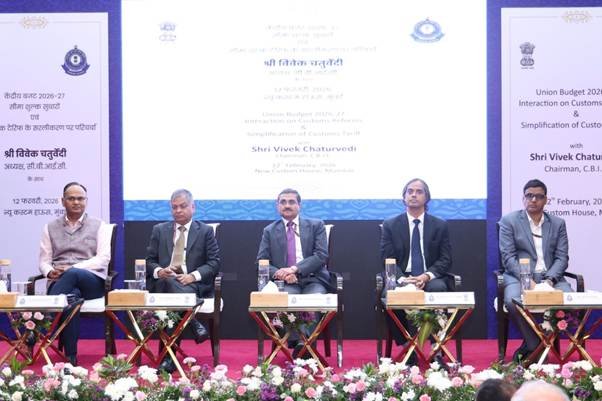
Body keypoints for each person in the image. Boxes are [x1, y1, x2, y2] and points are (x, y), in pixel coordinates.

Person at [146, 189, 220, 372]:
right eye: (174, 207)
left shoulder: (205, 231)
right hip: (164, 283)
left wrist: (192, 276)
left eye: (183, 206)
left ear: (193, 207)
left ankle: (168, 358)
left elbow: (214, 263)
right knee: (168, 282)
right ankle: (193, 320)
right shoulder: (159, 230)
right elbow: (149, 261)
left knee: (174, 297)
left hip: (191, 284)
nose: (178, 210)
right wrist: (160, 271)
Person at [39, 182, 113, 366]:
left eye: (80, 198)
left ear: (86, 201)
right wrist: (50, 271)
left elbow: (103, 259)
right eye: (71, 198)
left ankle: (42, 321)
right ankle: (71, 357)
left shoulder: (100, 225)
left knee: (73, 274)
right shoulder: (50, 227)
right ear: (63, 201)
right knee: (71, 298)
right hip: (61, 282)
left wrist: (74, 268)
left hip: (91, 282)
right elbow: (44, 261)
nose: (76, 202)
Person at [499, 179, 571, 363]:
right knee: (513, 301)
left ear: (546, 200)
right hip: (519, 276)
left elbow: (562, 258)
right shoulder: (509, 221)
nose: (533, 200)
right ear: (523, 198)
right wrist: (527, 280)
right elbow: (508, 257)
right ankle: (536, 346)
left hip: (551, 277)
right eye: (529, 195)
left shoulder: (558, 223)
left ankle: (532, 347)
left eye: (538, 196)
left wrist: (549, 281)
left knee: (570, 299)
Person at [380, 178, 453, 360]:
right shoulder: (390, 225)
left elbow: (446, 259)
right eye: (410, 191)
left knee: (438, 289)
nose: (414, 195)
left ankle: (436, 346)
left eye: (419, 191)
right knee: (389, 294)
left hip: (429, 277)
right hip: (402, 277)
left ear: (427, 198)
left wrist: (426, 276)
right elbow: (387, 258)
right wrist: (404, 280)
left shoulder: (440, 225)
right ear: (404, 197)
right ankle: (407, 347)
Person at [256, 188, 331, 357]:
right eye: (283, 202)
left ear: (299, 205)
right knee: (285, 301)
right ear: (277, 206)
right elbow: (261, 262)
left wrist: (294, 269)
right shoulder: (269, 230)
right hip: (286, 282)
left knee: (313, 301)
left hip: (313, 279)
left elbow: (321, 256)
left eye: (291, 202)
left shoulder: (316, 225)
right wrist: (281, 273)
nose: (287, 205)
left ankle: (302, 346)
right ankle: (303, 345)